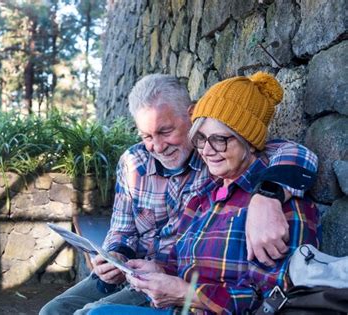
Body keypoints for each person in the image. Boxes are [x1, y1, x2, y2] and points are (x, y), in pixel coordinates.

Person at [39, 74, 318, 315]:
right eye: (147, 136)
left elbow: (291, 153)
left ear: (190, 114)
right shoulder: (146, 167)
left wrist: (267, 196)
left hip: (177, 288)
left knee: (91, 313)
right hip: (144, 272)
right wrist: (116, 256)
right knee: (53, 310)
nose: (157, 146)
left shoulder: (221, 165)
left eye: (166, 131)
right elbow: (124, 231)